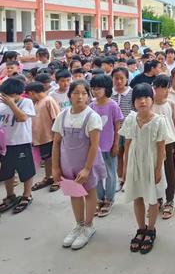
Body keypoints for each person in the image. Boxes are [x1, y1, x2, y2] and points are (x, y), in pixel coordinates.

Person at [120, 84, 175, 254]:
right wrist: (124, 169)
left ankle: (151, 229)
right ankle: (141, 228)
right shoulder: (130, 119)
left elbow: (161, 149)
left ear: (152, 100)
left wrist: (158, 170)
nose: (142, 101)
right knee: (137, 196)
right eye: (138, 98)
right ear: (134, 101)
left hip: (151, 164)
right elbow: (127, 144)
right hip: (135, 164)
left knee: (152, 199)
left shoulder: (159, 121)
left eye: (146, 97)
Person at [51, 80, 106, 250]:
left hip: (87, 164)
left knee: (89, 193)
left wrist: (87, 168)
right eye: (76, 93)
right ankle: (79, 224)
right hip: (68, 164)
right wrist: (55, 167)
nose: (80, 97)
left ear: (89, 97)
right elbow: (57, 142)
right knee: (74, 194)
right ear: (70, 96)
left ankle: (88, 226)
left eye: (84, 93)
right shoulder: (63, 115)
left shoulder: (92, 117)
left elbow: (94, 145)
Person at [0, 78, 36, 214]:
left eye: (9, 95)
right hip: (5, 145)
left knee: (26, 171)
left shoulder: (26, 102)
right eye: (4, 95)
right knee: (7, 172)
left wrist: (11, 104)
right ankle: (10, 195)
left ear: (18, 93)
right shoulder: (2, 105)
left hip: (21, 142)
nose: (6, 98)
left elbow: (22, 118)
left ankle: (27, 195)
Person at [89, 74, 123, 217]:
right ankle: (100, 198)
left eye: (99, 88)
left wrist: (116, 144)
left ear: (106, 89)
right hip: (94, 147)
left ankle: (109, 199)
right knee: (96, 174)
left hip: (109, 146)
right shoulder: (91, 106)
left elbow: (117, 126)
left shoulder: (113, 105)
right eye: (93, 89)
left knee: (110, 173)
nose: (96, 91)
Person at [153, 74, 175, 220]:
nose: (162, 90)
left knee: (170, 172)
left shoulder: (171, 104)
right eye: (158, 87)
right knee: (155, 172)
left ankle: (169, 200)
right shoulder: (150, 104)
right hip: (153, 143)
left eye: (165, 87)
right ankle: (157, 199)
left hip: (169, 142)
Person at [26, 81, 61, 192]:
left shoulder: (48, 100)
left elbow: (56, 119)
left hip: (49, 136)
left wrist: (56, 136)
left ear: (32, 93)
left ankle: (57, 179)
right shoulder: (37, 103)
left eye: (29, 94)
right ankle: (48, 177)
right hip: (41, 137)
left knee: (54, 159)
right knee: (47, 159)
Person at [111, 67, 133, 191]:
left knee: (128, 155)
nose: (119, 81)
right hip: (114, 130)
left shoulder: (131, 92)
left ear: (126, 79)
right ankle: (120, 178)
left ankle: (127, 179)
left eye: (121, 78)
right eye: (116, 78)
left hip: (129, 128)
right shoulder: (109, 93)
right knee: (118, 154)